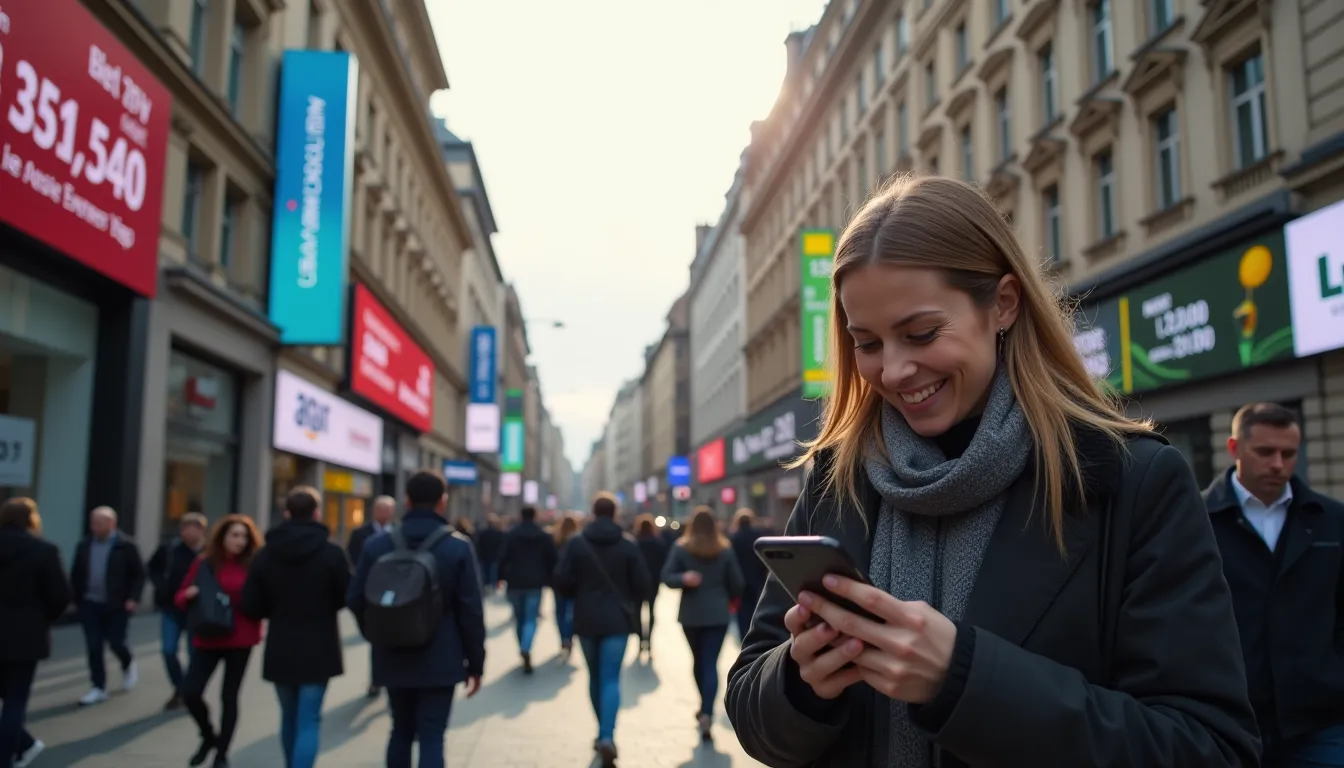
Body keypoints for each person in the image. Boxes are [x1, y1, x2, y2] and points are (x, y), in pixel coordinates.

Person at [725, 176, 1260, 767]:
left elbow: (1209, 748)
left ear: (1003, 303)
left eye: (921, 333)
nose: (895, 370)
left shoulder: (1132, 480)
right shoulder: (839, 477)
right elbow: (752, 709)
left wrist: (962, 679)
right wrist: (800, 681)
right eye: (867, 343)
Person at [1204, 402, 1344, 766]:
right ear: (1234, 448)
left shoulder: (1332, 520)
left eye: (1289, 453)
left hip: (1320, 723)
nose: (1278, 464)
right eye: (1265, 452)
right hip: (1228, 722)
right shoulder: (1196, 520)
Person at [347, 470, 485, 768]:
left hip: (392, 653)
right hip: (442, 655)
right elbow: (471, 610)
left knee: (400, 730)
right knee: (432, 734)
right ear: (442, 502)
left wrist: (378, 633)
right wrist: (476, 663)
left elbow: (355, 598)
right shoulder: (457, 546)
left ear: (406, 502)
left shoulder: (378, 545)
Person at [242, 487, 350, 768]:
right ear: (317, 512)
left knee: (288, 716)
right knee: (309, 718)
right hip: (320, 643)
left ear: (286, 513)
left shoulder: (266, 554)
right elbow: (345, 595)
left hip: (281, 643)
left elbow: (251, 604)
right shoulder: (331, 552)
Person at [552, 493, 650, 767]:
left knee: (594, 676)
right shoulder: (627, 544)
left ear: (594, 513)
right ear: (615, 513)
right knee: (610, 678)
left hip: (585, 619)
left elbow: (561, 580)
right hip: (617, 620)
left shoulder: (577, 543)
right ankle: (607, 735)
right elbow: (643, 584)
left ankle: (601, 731)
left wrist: (579, 592)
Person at [176, 515, 264, 768]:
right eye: (234, 535)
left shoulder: (253, 565)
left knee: (230, 696)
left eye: (244, 536)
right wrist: (188, 595)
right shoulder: (205, 563)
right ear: (222, 537)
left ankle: (222, 752)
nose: (239, 541)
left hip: (240, 636)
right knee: (191, 691)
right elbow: (181, 594)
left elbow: (263, 599)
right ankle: (208, 736)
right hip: (208, 635)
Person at [662, 506, 745, 742]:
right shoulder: (725, 549)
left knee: (698, 661)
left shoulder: (681, 548)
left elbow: (666, 577)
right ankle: (707, 711)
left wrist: (684, 579)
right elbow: (737, 583)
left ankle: (704, 706)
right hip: (718, 614)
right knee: (710, 662)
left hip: (691, 614)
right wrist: (728, 598)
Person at [0, 498, 71, 768]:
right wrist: (41, 619)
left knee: (10, 700)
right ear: (31, 520)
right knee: (15, 701)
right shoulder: (43, 550)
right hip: (25, 638)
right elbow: (61, 595)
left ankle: (25, 745)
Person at [70, 506, 145, 706]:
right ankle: (98, 687)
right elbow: (76, 573)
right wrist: (75, 599)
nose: (94, 527)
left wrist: (133, 598)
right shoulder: (85, 545)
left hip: (117, 604)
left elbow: (139, 574)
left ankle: (127, 663)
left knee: (116, 642)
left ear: (112, 524)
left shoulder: (126, 546)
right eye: (93, 522)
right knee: (94, 646)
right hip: (90, 603)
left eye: (99, 523)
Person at [146, 512, 208, 710]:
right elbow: (152, 568)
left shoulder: (209, 552)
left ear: (202, 530)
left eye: (194, 528)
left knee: (195, 654)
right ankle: (180, 688)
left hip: (197, 611)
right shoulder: (170, 549)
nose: (189, 532)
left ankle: (190, 691)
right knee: (168, 650)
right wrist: (161, 585)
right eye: (185, 528)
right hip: (172, 608)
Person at [496, 505, 557, 674]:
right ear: (535, 515)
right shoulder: (543, 535)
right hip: (535, 582)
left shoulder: (511, 534)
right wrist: (551, 580)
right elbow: (552, 559)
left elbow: (502, 557)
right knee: (531, 618)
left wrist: (499, 577)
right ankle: (526, 646)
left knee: (519, 618)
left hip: (515, 581)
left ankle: (523, 646)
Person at [346, 495, 395, 697]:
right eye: (379, 509)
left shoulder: (398, 535)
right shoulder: (361, 534)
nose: (383, 513)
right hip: (371, 592)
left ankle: (392, 677)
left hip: (396, 591)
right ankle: (377, 679)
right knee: (379, 640)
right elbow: (353, 557)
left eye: (387, 509)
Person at [633, 514, 669, 661]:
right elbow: (664, 562)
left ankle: (641, 639)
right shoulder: (658, 543)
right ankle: (649, 641)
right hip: (653, 582)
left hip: (636, 583)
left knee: (637, 612)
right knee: (652, 611)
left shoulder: (635, 543)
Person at [728, 508, 767, 641]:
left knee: (741, 610)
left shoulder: (734, 538)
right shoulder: (758, 536)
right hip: (756, 578)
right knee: (756, 607)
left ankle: (744, 635)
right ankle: (755, 633)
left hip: (739, 580)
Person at [551, 514, 581, 661]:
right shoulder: (579, 542)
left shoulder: (556, 540)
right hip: (575, 583)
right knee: (572, 612)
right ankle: (569, 637)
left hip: (558, 582)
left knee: (560, 612)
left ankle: (564, 637)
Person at [474, 514, 505, 595]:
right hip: (494, 556)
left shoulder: (482, 533)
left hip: (484, 555)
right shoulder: (498, 533)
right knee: (493, 572)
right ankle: (492, 587)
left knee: (484, 571)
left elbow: (478, 544)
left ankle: (485, 586)